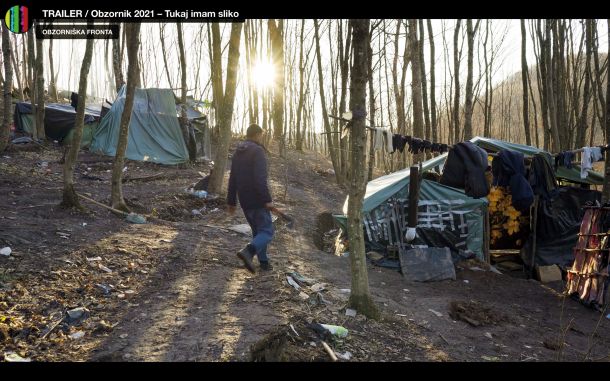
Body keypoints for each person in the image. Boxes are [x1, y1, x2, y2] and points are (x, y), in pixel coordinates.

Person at [227, 124, 274, 273]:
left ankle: (264, 262)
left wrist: (231, 201)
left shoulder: (238, 152)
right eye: (261, 135)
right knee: (267, 231)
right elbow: (260, 179)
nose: (262, 138)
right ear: (257, 135)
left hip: (245, 200)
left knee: (258, 232)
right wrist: (266, 199)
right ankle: (248, 251)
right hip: (258, 199)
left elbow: (232, 178)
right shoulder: (258, 151)